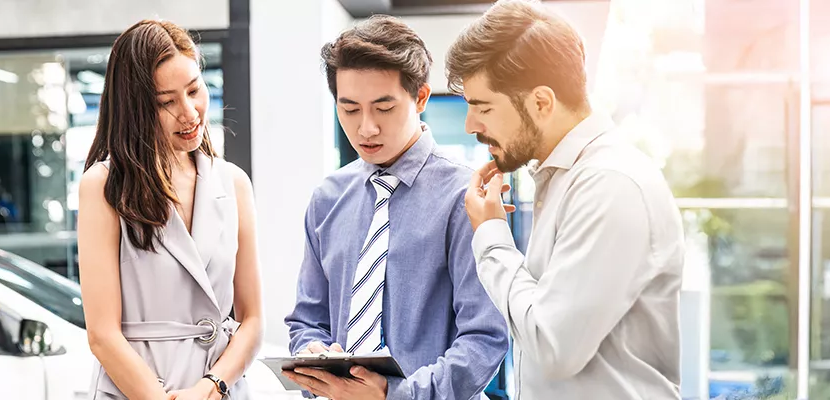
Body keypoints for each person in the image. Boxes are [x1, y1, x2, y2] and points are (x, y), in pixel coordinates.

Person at [446, 1, 686, 399]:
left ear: (541, 102)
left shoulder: (609, 185)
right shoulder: (562, 180)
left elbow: (553, 347)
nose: (471, 125)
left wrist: (490, 236)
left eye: (482, 107)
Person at [283, 15, 510, 400]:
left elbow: (485, 338)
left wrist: (394, 394)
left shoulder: (464, 196)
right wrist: (313, 355)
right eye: (350, 109)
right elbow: (307, 320)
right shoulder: (327, 198)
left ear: (421, 97)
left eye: (383, 107)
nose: (365, 128)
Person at [78, 19, 263, 400]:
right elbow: (102, 334)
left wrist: (212, 386)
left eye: (195, 89)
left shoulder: (233, 183)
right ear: (135, 108)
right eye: (166, 102)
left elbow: (254, 319)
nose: (189, 111)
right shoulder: (103, 186)